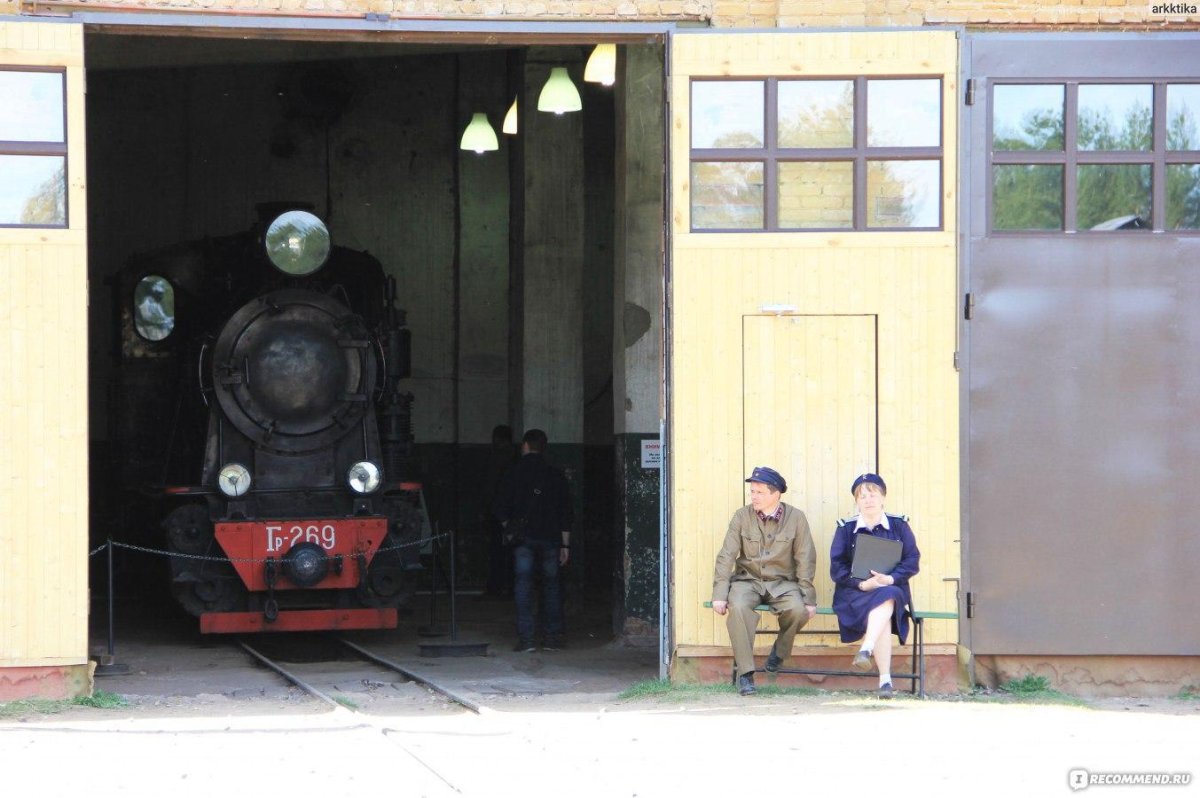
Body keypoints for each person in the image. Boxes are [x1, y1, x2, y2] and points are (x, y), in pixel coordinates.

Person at [711, 466, 817, 696]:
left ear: (776, 493)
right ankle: (745, 674)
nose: (754, 496)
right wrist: (719, 594)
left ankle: (780, 651)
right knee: (738, 607)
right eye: (752, 491)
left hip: (783, 583)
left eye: (760, 492)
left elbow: (805, 559)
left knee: (798, 610)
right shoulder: (741, 516)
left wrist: (808, 598)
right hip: (747, 581)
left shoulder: (796, 518)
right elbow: (726, 556)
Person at [829, 473, 921, 699]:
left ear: (883, 498)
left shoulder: (899, 525)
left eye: (873, 495)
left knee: (887, 594)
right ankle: (884, 680)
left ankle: (867, 649)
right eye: (862, 496)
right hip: (855, 592)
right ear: (856, 501)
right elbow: (837, 567)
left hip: (890, 588)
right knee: (884, 609)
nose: (868, 500)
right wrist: (862, 584)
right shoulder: (845, 528)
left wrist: (890, 578)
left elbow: (912, 560)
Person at [493, 428, 572, 652]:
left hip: (523, 539)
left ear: (525, 446)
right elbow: (566, 512)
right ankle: (553, 638)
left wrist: (510, 528)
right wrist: (566, 544)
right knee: (552, 586)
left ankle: (527, 639)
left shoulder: (513, 472)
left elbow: (499, 506)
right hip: (551, 538)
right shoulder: (555, 475)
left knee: (523, 585)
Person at [480, 424, 518, 598]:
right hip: (513, 510)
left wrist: (487, 508)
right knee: (511, 550)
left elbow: (491, 486)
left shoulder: (497, 457)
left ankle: (495, 588)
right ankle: (510, 587)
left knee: (496, 550)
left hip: (498, 511)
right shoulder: (516, 456)